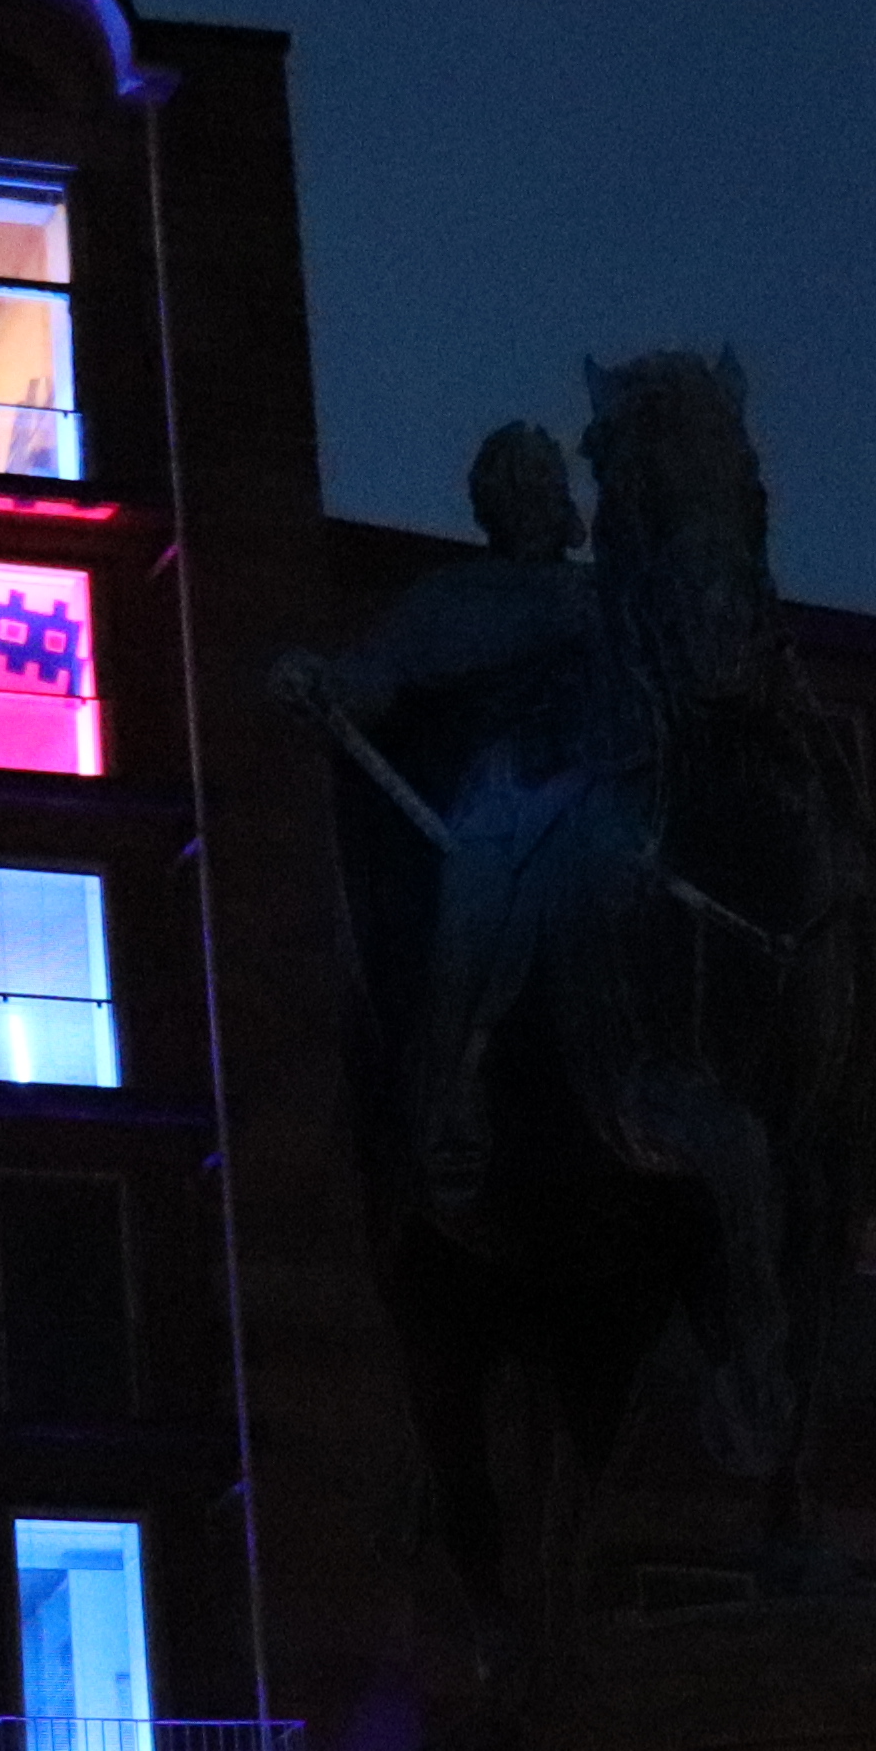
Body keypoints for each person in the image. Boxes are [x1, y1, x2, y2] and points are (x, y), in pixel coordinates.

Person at [280, 421, 603, 1233]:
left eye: (544, 486)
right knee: (480, 889)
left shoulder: (605, 602)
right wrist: (322, 680)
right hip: (505, 798)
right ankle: (452, 1082)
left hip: (606, 789)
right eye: (518, 490)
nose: (535, 503)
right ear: (496, 510)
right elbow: (377, 676)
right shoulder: (450, 603)